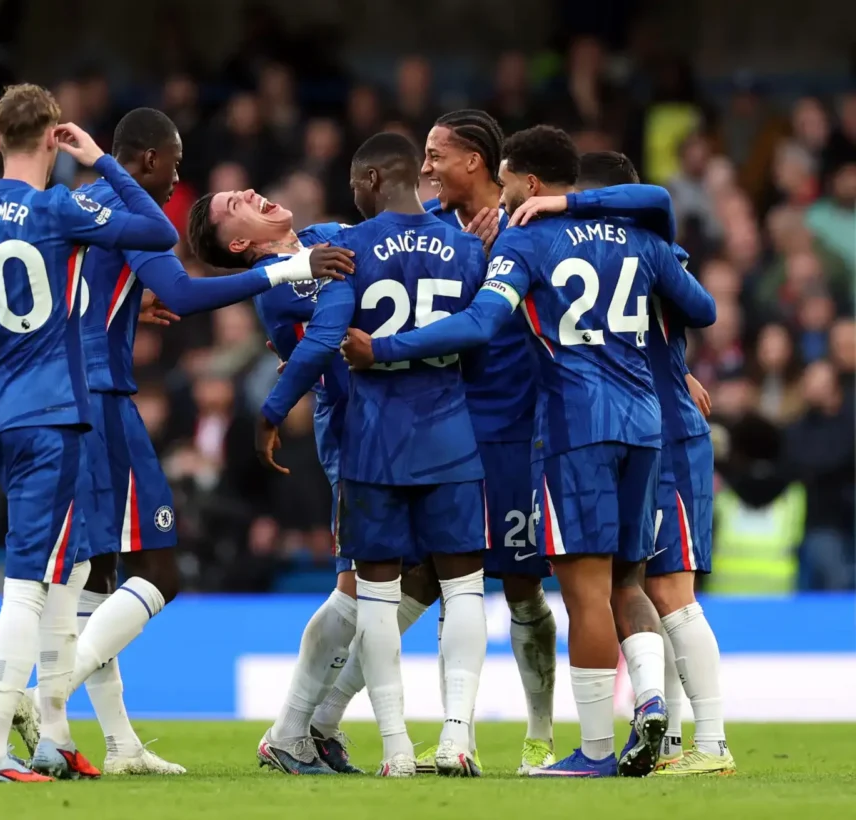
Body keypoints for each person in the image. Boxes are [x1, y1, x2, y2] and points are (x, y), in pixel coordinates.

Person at [341, 125, 717, 777]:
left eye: (511, 179)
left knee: (584, 593)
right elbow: (702, 307)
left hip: (576, 426)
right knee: (630, 580)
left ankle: (596, 751)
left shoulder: (526, 237)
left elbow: (482, 323)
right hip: (646, 423)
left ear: (529, 181)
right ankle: (653, 703)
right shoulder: (645, 238)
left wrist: (387, 348)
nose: (506, 192)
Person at [20, 107, 351, 777]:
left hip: (51, 388)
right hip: (102, 400)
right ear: (146, 160)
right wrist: (289, 271)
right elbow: (183, 291)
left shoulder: (72, 204)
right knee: (160, 572)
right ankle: (42, 694)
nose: (174, 180)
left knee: (99, 580)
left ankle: (117, 744)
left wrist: (127, 302)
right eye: (171, 166)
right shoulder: (126, 203)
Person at [0, 84, 178, 782]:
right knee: (30, 584)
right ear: (54, 138)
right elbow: (159, 231)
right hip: (55, 417)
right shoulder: (61, 207)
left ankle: (54, 736)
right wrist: (101, 162)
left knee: (72, 572)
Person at [257, 132, 490, 778]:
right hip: (451, 436)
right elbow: (484, 336)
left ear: (365, 184)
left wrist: (274, 410)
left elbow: (324, 338)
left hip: (374, 443)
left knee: (377, 599)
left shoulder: (350, 249)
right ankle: (456, 739)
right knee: (464, 589)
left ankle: (394, 751)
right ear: (414, 177)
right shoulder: (469, 248)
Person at [519, 150, 732, 776]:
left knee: (669, 589)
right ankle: (665, 742)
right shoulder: (642, 251)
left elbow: (693, 312)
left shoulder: (642, 244)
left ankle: (713, 743)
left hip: (663, 434)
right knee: (634, 588)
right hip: (645, 427)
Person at [186, 184, 355, 775]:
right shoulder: (279, 291)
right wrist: (275, 406)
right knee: (369, 584)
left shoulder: (330, 236)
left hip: (405, 426)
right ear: (240, 243)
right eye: (236, 203)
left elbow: (400, 242)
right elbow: (325, 341)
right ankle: (300, 728)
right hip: (360, 432)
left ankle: (310, 725)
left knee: (402, 585)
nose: (251, 193)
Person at [417, 109, 556, 775]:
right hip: (447, 433)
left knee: (524, 589)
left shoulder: (529, 229)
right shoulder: (430, 233)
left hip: (517, 433)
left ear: (473, 160)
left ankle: (540, 734)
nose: (425, 170)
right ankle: (457, 735)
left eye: (436, 156)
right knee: (453, 581)